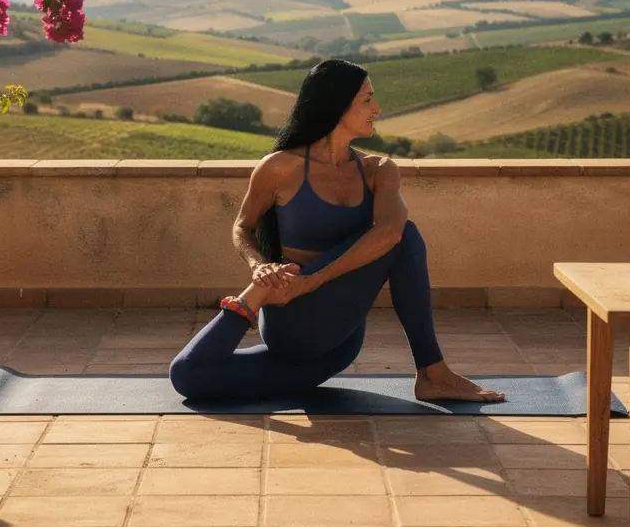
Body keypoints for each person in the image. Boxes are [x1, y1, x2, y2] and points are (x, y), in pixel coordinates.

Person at [168, 58, 505, 404]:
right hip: (293, 322)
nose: (377, 108)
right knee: (186, 374)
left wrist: (312, 281)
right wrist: (259, 267)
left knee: (403, 233)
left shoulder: (378, 170)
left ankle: (432, 374)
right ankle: (253, 298)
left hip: (338, 345)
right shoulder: (281, 167)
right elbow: (243, 226)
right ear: (337, 105)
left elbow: (392, 232)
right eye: (367, 100)